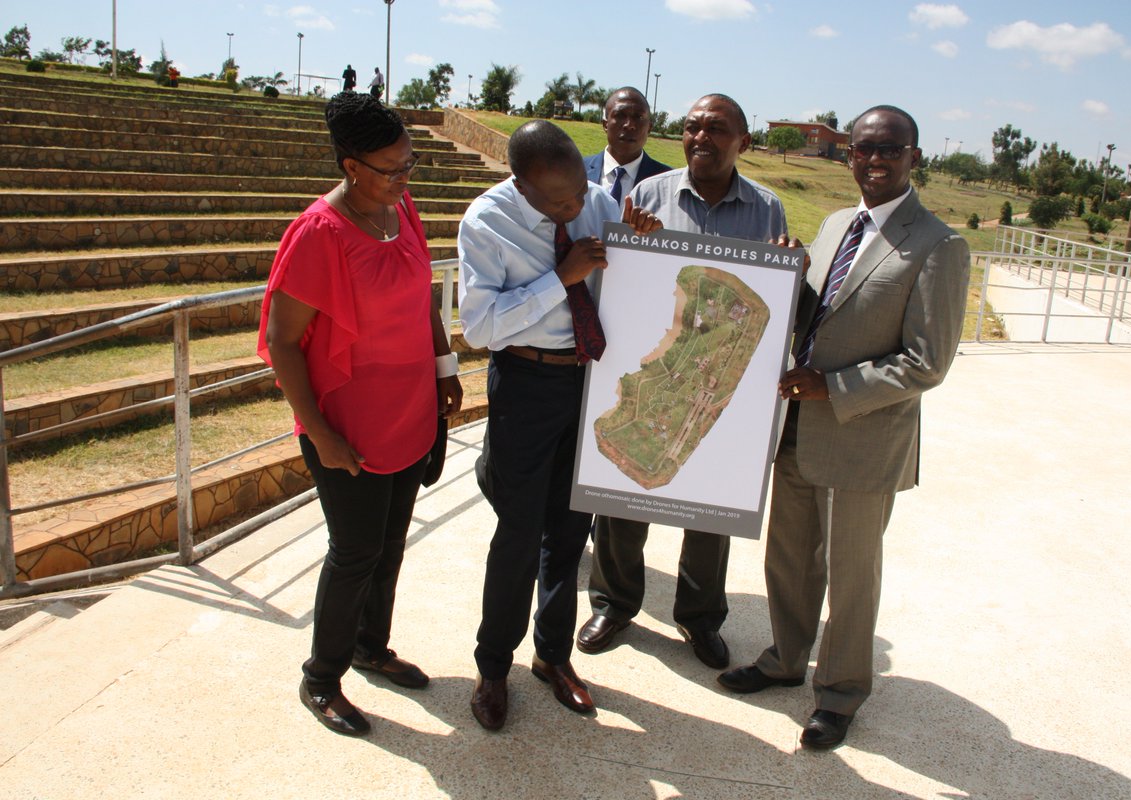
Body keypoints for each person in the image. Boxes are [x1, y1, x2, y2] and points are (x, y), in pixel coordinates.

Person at [716, 105, 971, 750]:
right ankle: (784, 660)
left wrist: (831, 388)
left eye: (890, 149)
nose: (874, 161)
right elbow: (816, 316)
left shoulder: (938, 245)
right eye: (862, 150)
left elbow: (927, 361)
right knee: (790, 555)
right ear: (847, 155)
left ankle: (840, 691)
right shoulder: (834, 225)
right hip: (798, 426)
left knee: (852, 572)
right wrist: (790, 276)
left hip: (863, 435)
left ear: (915, 157)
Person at [258, 92, 463, 737]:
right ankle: (322, 678)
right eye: (391, 169)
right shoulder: (319, 233)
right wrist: (320, 436)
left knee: (391, 542)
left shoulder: (400, 207)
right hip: (346, 427)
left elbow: (422, 294)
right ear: (351, 166)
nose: (405, 181)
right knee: (354, 552)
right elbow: (282, 340)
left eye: (409, 165)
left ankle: (374, 647)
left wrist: (443, 371)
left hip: (411, 408)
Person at [578, 93, 799, 670]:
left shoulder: (766, 209)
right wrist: (630, 241)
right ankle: (614, 601)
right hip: (659, 354)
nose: (701, 138)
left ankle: (699, 618)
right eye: (693, 127)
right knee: (623, 493)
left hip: (712, 375)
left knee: (710, 500)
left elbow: (767, 293)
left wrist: (785, 260)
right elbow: (625, 276)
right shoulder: (648, 195)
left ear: (742, 143)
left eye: (717, 130)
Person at [457, 120, 660, 732]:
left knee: (570, 533)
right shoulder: (486, 222)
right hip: (526, 382)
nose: (577, 207)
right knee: (517, 535)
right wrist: (558, 279)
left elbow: (616, 280)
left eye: (580, 193)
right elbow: (481, 328)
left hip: (588, 382)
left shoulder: (596, 200)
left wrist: (634, 246)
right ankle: (494, 666)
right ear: (520, 184)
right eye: (559, 202)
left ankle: (553, 657)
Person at [583, 87, 671, 203]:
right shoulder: (577, 171)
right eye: (620, 115)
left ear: (649, 128)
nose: (629, 125)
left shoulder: (667, 182)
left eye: (638, 117)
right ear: (605, 124)